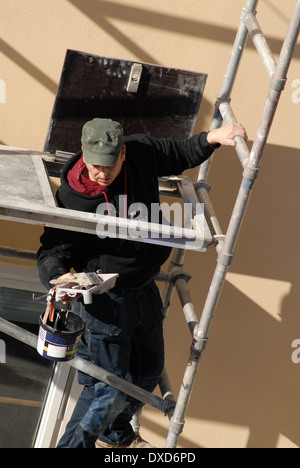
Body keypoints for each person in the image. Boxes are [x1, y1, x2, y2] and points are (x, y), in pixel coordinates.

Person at [37, 118, 247, 448]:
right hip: (106, 301)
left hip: (144, 288)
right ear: (82, 153)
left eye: (109, 166)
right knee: (110, 387)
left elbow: (180, 153)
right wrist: (57, 279)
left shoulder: (141, 152)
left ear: (123, 154)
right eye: (94, 166)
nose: (101, 174)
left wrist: (214, 137)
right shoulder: (72, 196)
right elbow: (53, 247)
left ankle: (114, 436)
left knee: (147, 374)